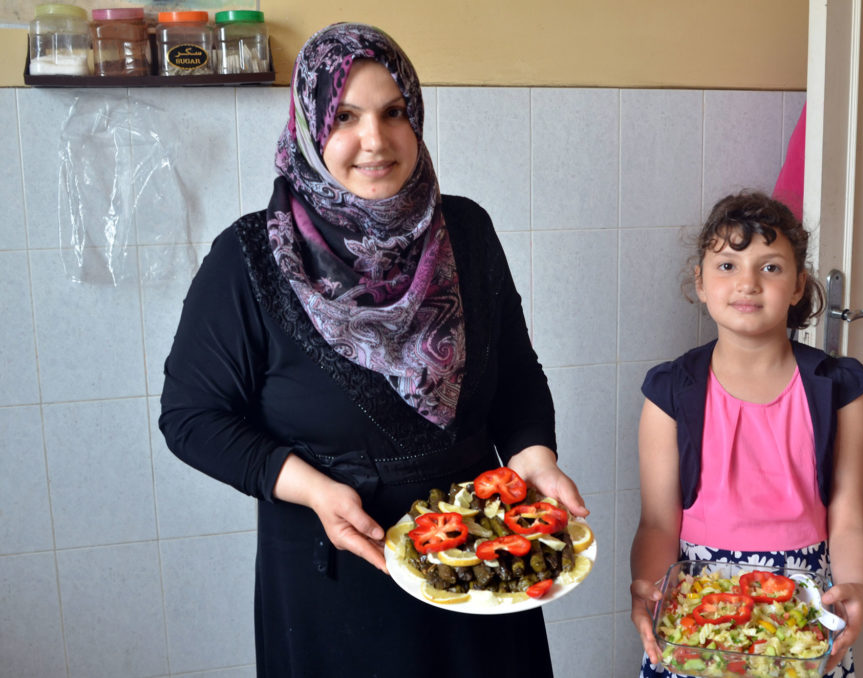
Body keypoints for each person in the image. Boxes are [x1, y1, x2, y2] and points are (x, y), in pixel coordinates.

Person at [159, 22, 587, 678]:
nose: (375, 141)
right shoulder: (250, 259)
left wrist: (534, 458)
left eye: (394, 113)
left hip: (480, 563)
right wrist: (312, 491)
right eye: (346, 117)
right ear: (310, 128)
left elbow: (516, 380)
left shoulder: (465, 232)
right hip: (336, 575)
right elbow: (191, 417)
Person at [628, 191, 863, 678]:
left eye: (770, 268)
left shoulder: (838, 390)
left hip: (800, 621)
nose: (747, 282)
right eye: (726, 266)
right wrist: (646, 586)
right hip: (698, 617)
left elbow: (850, 525)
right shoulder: (670, 391)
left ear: (798, 286)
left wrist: (860, 588)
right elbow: (658, 524)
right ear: (699, 282)